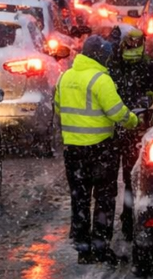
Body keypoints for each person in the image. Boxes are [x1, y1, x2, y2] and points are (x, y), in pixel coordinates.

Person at [54, 35, 139, 264]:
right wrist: (133, 121)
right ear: (99, 55)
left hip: (73, 151)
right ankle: (101, 248)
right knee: (104, 198)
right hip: (100, 150)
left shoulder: (65, 77)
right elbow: (117, 112)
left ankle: (83, 250)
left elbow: (58, 107)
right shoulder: (101, 80)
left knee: (79, 199)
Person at [105, 24, 153, 240]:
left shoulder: (146, 64)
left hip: (132, 127)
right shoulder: (112, 63)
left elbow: (152, 88)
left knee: (130, 176)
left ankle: (128, 221)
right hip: (112, 127)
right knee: (109, 180)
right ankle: (109, 224)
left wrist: (145, 100)